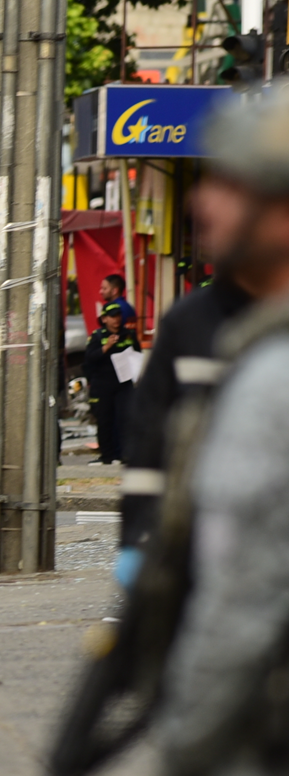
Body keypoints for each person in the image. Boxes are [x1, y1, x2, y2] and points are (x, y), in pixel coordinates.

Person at [130, 85, 289, 776]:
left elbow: (248, 599)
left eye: (233, 182)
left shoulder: (274, 379)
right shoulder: (214, 333)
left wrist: (178, 766)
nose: (203, 200)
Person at [119, 171, 257, 572]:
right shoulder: (187, 321)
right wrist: (136, 542)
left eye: (230, 192)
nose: (203, 205)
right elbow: (148, 443)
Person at [83, 301, 138, 465]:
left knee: (125, 419)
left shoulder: (128, 335)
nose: (116, 320)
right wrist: (106, 347)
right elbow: (89, 358)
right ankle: (107, 456)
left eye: (118, 316)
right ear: (104, 319)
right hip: (103, 384)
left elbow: (137, 354)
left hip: (124, 383)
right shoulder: (97, 336)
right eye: (112, 317)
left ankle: (124, 454)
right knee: (105, 420)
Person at [99, 273, 138, 342]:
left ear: (115, 291)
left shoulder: (115, 307)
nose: (100, 291)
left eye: (104, 288)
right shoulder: (127, 306)